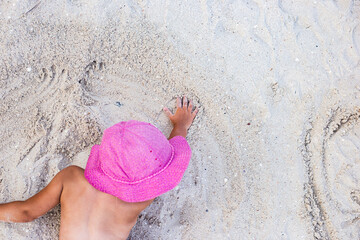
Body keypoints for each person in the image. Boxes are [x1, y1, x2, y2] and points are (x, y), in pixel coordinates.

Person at [0, 96, 198, 240]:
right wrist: (180, 126)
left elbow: (26, 212)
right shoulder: (139, 200)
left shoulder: (70, 178)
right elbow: (164, 170)